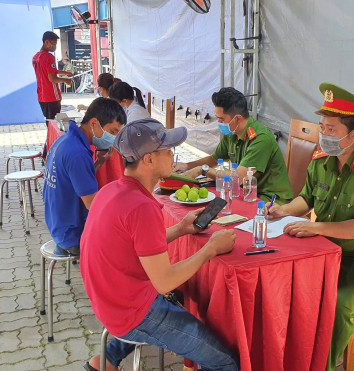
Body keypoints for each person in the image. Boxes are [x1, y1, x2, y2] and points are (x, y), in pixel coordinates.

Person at [80, 118, 239, 371]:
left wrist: (180, 229)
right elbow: (164, 281)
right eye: (167, 151)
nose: (172, 156)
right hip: (131, 311)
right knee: (225, 362)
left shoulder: (112, 190)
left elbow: (134, 245)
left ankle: (107, 359)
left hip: (108, 300)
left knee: (177, 296)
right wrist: (211, 249)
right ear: (148, 160)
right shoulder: (142, 207)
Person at [266, 83, 354, 371]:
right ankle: (289, 356)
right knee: (286, 283)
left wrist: (316, 228)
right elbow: (308, 197)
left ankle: (322, 365)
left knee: (338, 304)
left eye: (331, 130)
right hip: (323, 247)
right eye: (321, 127)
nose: (323, 135)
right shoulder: (321, 158)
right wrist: (284, 211)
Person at [175, 87, 293, 204]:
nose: (219, 123)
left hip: (268, 199)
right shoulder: (232, 132)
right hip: (244, 192)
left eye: (221, 119)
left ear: (237, 118)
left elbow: (237, 179)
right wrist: (186, 166)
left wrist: (202, 170)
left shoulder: (261, 139)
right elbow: (213, 159)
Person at [43, 97, 126, 256]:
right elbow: (93, 204)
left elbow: (74, 181)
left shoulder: (65, 141)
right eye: (112, 131)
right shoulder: (77, 153)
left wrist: (98, 163)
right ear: (94, 123)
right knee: (127, 242)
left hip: (57, 224)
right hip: (72, 235)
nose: (114, 138)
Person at [33, 31, 74, 158]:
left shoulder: (36, 57)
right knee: (56, 128)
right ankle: (48, 154)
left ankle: (48, 154)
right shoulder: (48, 57)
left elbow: (49, 71)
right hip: (52, 97)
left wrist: (63, 72)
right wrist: (65, 80)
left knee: (51, 125)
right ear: (47, 42)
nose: (54, 47)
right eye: (53, 44)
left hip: (42, 97)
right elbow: (52, 78)